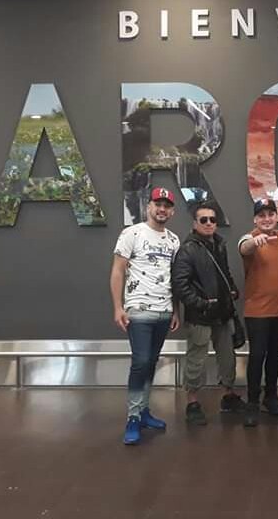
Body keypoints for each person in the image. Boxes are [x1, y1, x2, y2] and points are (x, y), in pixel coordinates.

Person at [110, 187, 180, 445]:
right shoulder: (132, 233)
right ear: (148, 206)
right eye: (157, 204)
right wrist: (118, 307)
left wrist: (176, 310)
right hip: (138, 309)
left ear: (172, 211)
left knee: (151, 362)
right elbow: (117, 271)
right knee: (140, 361)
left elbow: (175, 278)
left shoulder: (174, 240)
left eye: (167, 206)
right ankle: (132, 417)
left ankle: (144, 411)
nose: (162, 209)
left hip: (164, 311)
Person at [172, 200, 245, 425]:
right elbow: (180, 284)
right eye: (203, 219)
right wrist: (201, 304)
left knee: (228, 356)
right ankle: (192, 403)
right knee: (196, 359)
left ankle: (228, 396)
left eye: (213, 219)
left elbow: (225, 272)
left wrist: (232, 289)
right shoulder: (187, 249)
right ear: (195, 223)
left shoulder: (219, 244)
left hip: (222, 313)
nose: (209, 223)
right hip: (200, 316)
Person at [238, 198, 278, 427]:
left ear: (276, 217)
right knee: (257, 356)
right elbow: (243, 247)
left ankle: (271, 397)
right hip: (256, 312)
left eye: (270, 214)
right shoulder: (250, 238)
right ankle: (252, 402)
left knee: (275, 356)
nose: (267, 219)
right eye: (262, 216)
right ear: (255, 219)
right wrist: (254, 241)